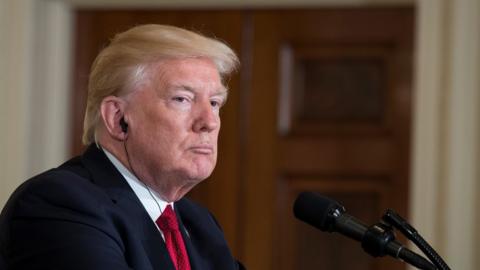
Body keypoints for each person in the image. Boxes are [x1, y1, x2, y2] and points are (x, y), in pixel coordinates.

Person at [0, 24, 243, 270]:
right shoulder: (58, 204)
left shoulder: (199, 223)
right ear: (118, 118)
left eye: (214, 103)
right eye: (182, 99)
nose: (209, 122)